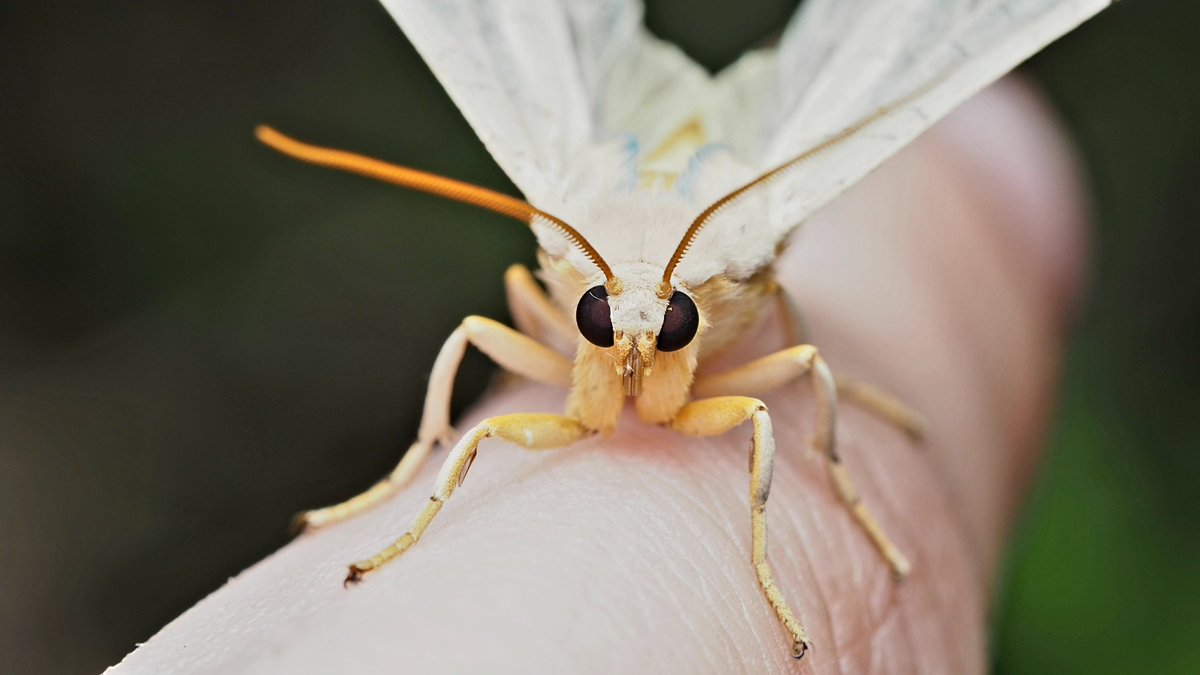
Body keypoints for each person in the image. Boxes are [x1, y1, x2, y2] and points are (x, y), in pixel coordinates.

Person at [108, 77, 1085, 674]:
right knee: (480, 365)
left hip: (721, 207)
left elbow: (792, 359)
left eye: (663, 329)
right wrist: (418, 474)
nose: (628, 346)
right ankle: (406, 483)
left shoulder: (725, 333)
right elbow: (489, 329)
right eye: (600, 323)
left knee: (799, 374)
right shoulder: (573, 301)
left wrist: (794, 522)